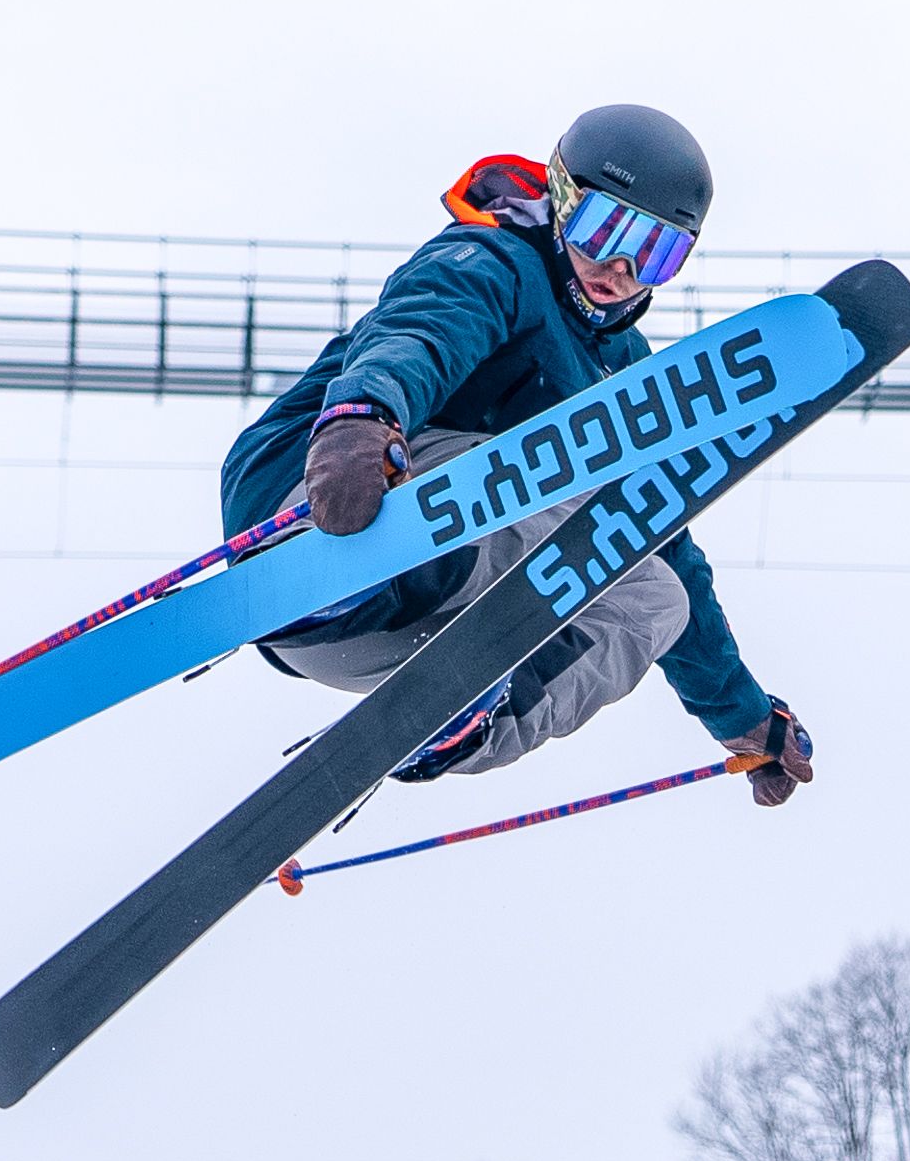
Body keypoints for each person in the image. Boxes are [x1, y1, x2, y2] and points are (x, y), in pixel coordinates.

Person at [218, 104, 817, 803]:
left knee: (658, 595)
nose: (619, 268)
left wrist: (743, 718)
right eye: (604, 229)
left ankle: (466, 715)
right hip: (328, 501)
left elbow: (660, 531)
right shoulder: (492, 259)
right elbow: (423, 330)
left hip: (391, 640)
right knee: (530, 464)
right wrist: (363, 413)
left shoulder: (631, 378)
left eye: (654, 254)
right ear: (561, 198)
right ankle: (345, 577)